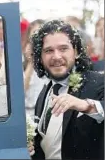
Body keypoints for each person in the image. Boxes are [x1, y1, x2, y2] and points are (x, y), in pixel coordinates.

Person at [29, 20, 104, 160]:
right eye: (48, 50)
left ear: (76, 52)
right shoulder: (44, 93)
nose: (56, 56)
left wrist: (86, 106)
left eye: (63, 49)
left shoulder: (98, 83)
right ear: (40, 57)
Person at [23, 19, 46, 119]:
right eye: (34, 33)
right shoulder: (25, 61)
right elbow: (22, 90)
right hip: (28, 112)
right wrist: (31, 62)